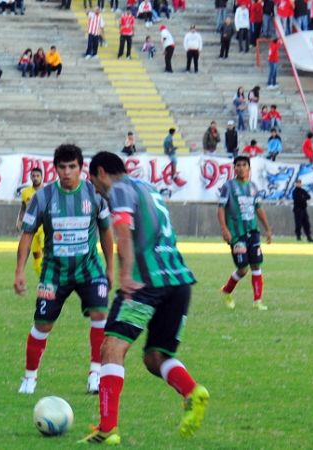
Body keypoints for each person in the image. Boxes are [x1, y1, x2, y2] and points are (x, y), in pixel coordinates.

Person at [79, 151, 208, 444]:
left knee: (111, 347)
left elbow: (123, 228)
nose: (94, 186)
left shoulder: (119, 189)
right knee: (155, 357)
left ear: (100, 172)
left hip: (145, 283)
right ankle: (192, 391)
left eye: (92, 178)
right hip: (179, 280)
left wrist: (126, 273)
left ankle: (107, 428)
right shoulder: (148, 188)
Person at [15, 145, 114, 396]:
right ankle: (30, 378)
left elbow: (105, 230)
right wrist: (19, 271)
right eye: (62, 167)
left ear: (81, 168)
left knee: (100, 314)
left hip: (89, 269)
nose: (67, 172)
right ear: (55, 168)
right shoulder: (44, 197)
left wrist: (110, 268)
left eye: (73, 167)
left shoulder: (94, 194)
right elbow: (27, 235)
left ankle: (95, 374)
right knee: (42, 325)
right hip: (54, 272)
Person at [218, 155, 274, 311]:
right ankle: (227, 290)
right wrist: (224, 228)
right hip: (237, 235)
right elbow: (221, 208)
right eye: (238, 165)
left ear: (249, 168)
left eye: (244, 165)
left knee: (256, 264)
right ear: (234, 168)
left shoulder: (253, 187)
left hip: (253, 232)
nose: (241, 168)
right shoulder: (228, 187)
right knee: (243, 269)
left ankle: (258, 301)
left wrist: (267, 229)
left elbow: (258, 208)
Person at [16, 167, 45, 275]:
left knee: (46, 250)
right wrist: (19, 220)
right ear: (30, 177)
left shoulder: (46, 191)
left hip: (44, 226)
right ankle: (41, 275)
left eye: (38, 176)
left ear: (42, 177)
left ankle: (51, 274)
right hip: (32, 227)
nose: (35, 178)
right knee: (36, 254)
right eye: (33, 176)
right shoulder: (26, 193)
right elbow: (23, 208)